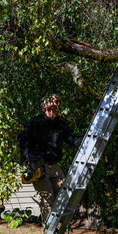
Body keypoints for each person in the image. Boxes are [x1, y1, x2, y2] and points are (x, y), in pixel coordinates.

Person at [17, 94, 83, 224]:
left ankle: (60, 221)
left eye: (59, 102)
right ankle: (49, 230)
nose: (58, 105)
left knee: (65, 193)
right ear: (47, 105)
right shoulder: (36, 123)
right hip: (40, 167)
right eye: (56, 102)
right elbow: (21, 140)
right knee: (47, 199)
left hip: (55, 167)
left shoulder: (60, 124)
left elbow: (72, 139)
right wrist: (30, 159)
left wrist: (87, 140)